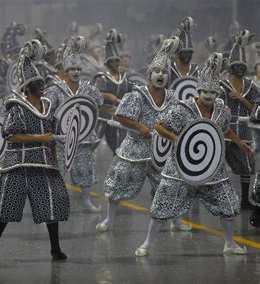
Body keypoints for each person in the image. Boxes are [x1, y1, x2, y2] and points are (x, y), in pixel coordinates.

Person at [135, 53, 253, 257]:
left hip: (211, 166)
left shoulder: (221, 111)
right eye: (205, 92)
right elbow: (158, 125)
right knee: (162, 205)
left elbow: (224, 130)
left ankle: (230, 243)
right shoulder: (182, 109)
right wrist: (175, 138)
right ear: (198, 91)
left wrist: (240, 142)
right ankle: (146, 243)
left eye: (212, 93)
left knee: (227, 203)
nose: (208, 96)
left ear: (217, 94)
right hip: (179, 167)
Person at [0, 39, 70, 262]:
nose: (41, 85)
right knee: (5, 208)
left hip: (44, 165)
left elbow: (53, 137)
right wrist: (40, 138)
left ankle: (55, 249)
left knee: (51, 203)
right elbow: (10, 135)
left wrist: (56, 160)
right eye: (36, 83)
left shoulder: (49, 107)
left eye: (41, 82)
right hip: (18, 165)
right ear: (27, 87)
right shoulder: (16, 107)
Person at [96, 37, 187, 232]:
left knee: (170, 185)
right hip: (135, 147)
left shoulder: (172, 98)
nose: (160, 75)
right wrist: (140, 127)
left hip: (162, 150)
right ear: (149, 74)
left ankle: (176, 220)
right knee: (118, 181)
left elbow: (179, 121)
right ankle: (109, 219)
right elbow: (120, 117)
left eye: (164, 72)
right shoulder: (137, 94)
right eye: (157, 71)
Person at [45, 36, 104, 213]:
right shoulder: (56, 89)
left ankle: (87, 201)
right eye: (72, 69)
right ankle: (53, 203)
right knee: (59, 172)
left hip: (84, 137)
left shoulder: (89, 89)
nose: (76, 72)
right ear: (65, 71)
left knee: (85, 170)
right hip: (62, 138)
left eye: (78, 69)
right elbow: (47, 111)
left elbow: (98, 104)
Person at [220, 30, 258, 210]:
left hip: (245, 129)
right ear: (232, 67)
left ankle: (244, 200)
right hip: (224, 129)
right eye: (238, 66)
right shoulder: (222, 85)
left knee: (247, 166)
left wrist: (242, 99)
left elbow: (257, 108)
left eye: (244, 66)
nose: (242, 69)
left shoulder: (251, 86)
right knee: (217, 165)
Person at [94, 29, 134, 154]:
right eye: (111, 61)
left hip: (118, 117)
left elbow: (131, 91)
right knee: (91, 144)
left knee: (119, 147)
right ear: (106, 63)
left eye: (116, 60)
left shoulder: (125, 77)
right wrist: (112, 98)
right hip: (102, 116)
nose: (114, 63)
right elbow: (97, 93)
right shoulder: (102, 77)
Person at [168, 17, 199, 86]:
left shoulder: (197, 71)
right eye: (184, 52)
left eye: (189, 52)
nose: (187, 55)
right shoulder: (169, 71)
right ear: (178, 53)